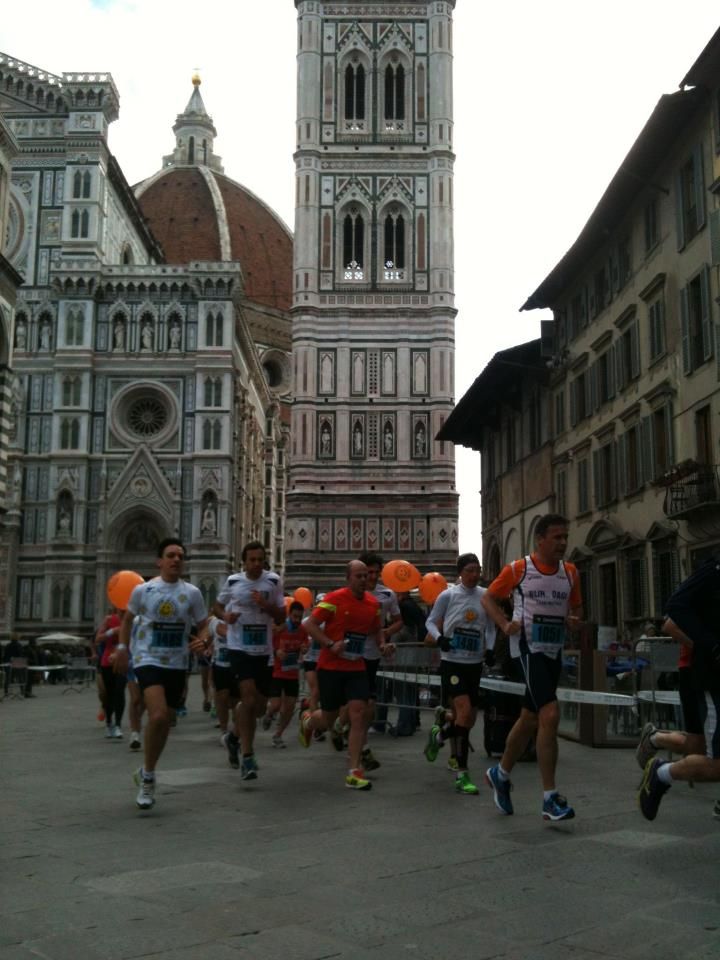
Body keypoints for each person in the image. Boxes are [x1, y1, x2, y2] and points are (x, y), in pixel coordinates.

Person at [482, 514, 583, 821]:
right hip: (526, 648)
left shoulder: (570, 572)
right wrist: (504, 624)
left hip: (553, 651)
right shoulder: (519, 569)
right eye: (556, 537)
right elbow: (488, 598)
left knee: (529, 718)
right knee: (549, 714)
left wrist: (573, 621)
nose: (563, 543)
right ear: (540, 539)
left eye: (565, 537)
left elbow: (576, 608)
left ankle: (500, 774)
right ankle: (550, 798)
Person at [114, 538, 208, 810]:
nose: (176, 559)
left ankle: (147, 769)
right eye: (171, 555)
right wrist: (122, 648)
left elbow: (203, 624)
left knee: (165, 720)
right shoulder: (143, 590)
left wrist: (203, 640)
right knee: (157, 715)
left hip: (177, 664)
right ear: (159, 561)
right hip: (147, 659)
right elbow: (127, 620)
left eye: (180, 556)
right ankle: (149, 778)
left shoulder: (192, 593)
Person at [637, 553, 720, 821]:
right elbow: (672, 619)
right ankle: (659, 764)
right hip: (699, 673)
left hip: (703, 671)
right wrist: (710, 646)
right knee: (700, 746)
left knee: (700, 745)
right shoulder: (709, 575)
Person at [298, 560, 384, 791]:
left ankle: (354, 772)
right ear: (348, 578)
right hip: (331, 668)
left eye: (366, 575)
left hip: (356, 668)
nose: (364, 579)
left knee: (358, 714)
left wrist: (383, 645)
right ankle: (308, 721)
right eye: (359, 576)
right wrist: (329, 644)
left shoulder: (373, 604)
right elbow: (309, 624)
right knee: (329, 720)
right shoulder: (334, 599)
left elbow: (376, 629)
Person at [215, 541, 285, 781]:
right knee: (248, 698)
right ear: (244, 562)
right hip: (239, 648)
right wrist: (226, 616)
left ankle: (233, 737)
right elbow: (217, 607)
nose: (256, 564)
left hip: (263, 651)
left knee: (259, 708)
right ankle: (248, 757)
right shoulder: (233, 581)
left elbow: (282, 615)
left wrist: (266, 605)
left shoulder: (273, 581)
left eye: (260, 560)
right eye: (251, 560)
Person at [424, 552, 493, 795]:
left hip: (475, 663)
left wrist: (490, 649)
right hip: (452, 662)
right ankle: (462, 774)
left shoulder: (485, 595)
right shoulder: (448, 595)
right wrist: (440, 638)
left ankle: (440, 736)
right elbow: (430, 621)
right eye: (470, 570)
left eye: (478, 570)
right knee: (463, 712)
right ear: (460, 573)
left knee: (469, 719)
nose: (475, 575)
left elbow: (491, 627)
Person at [264, 601, 307, 748]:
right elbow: (268, 644)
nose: (297, 620)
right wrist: (277, 652)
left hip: (292, 673)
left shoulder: (302, 630)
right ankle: (269, 714)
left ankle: (278, 735)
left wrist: (304, 648)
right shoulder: (280, 628)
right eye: (295, 616)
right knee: (276, 705)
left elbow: (305, 645)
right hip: (277, 672)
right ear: (289, 615)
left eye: (300, 617)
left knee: (289, 708)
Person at [96, 609, 125, 739]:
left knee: (120, 691)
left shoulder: (131, 619)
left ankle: (118, 725)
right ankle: (109, 723)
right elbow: (98, 638)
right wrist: (112, 631)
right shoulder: (109, 619)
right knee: (109, 694)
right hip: (107, 661)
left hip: (123, 661)